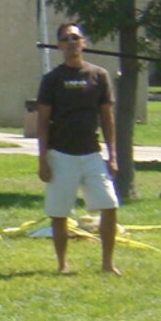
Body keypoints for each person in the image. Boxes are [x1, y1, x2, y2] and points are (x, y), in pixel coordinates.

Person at [35, 24, 120, 275]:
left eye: (75, 37)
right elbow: (42, 122)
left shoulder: (98, 75)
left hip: (92, 154)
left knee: (110, 205)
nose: (71, 42)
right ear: (60, 45)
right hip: (61, 154)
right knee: (59, 212)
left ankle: (107, 264)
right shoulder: (52, 80)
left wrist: (112, 156)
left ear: (83, 42)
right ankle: (62, 264)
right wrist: (43, 160)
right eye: (65, 39)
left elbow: (107, 118)